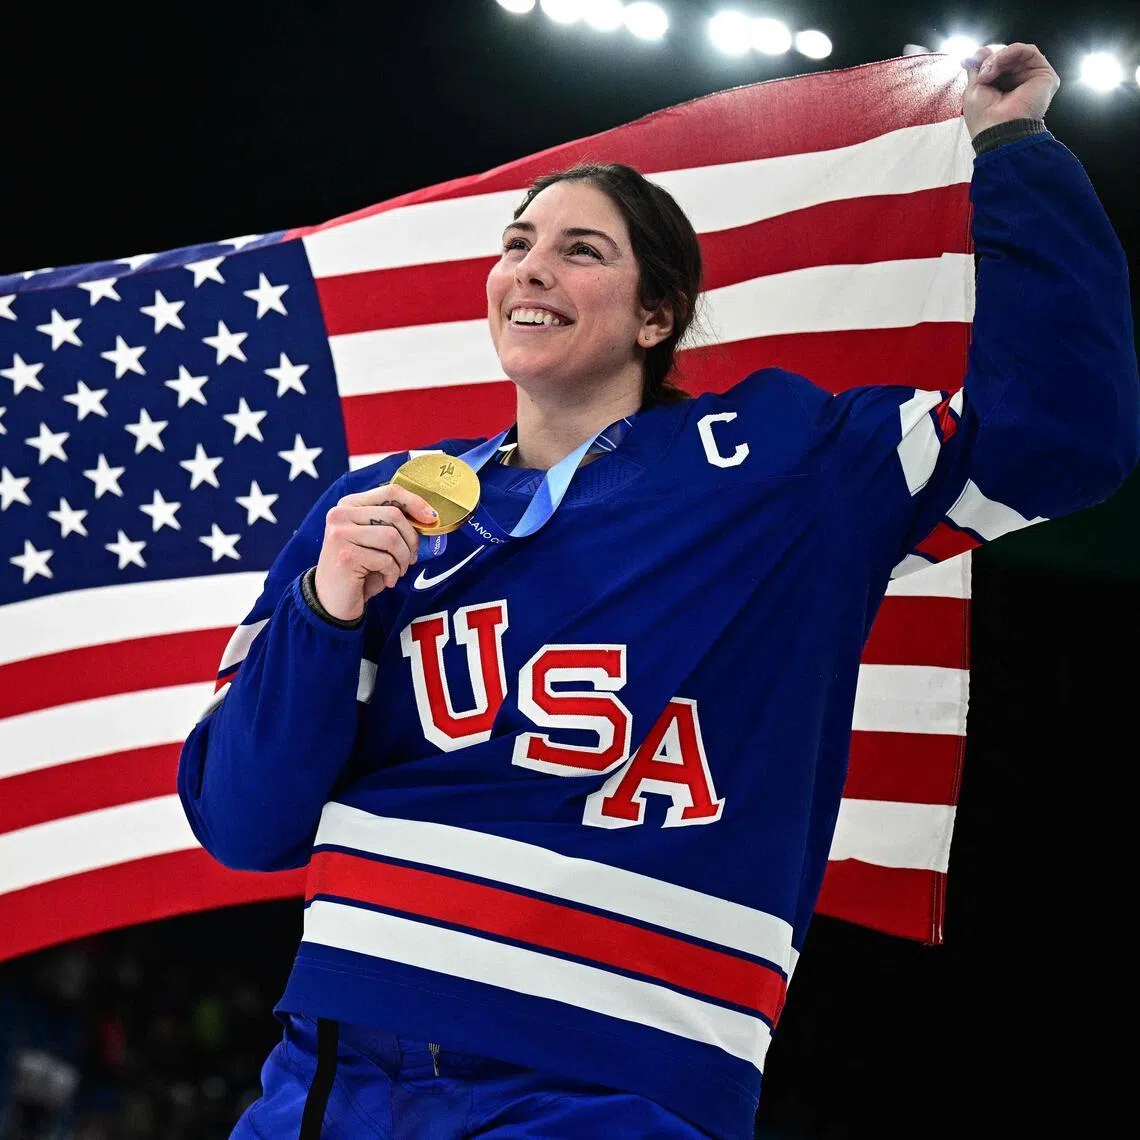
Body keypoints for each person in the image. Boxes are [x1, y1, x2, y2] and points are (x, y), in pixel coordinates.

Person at [177, 42, 1139, 1140]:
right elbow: (246, 827)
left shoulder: (786, 465)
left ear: (655, 317)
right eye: (519, 245)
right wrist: (323, 606)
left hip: (613, 1086)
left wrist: (1015, 149)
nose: (529, 270)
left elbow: (1064, 434)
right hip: (335, 1071)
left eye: (579, 251)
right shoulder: (375, 509)